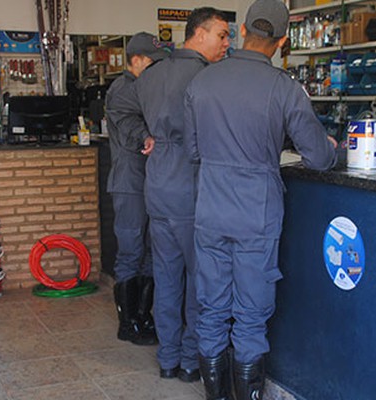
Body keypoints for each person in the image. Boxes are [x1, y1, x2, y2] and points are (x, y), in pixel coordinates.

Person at [183, 1, 337, 398]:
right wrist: (339, 149)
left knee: (212, 310)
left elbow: (193, 151)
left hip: (211, 210)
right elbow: (319, 157)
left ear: (241, 30)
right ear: (283, 41)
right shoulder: (285, 89)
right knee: (250, 318)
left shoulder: (201, 83)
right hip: (257, 214)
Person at [135, 8, 230, 383]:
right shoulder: (209, 77)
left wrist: (144, 136)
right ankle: (191, 360)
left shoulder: (151, 73)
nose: (227, 43)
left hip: (157, 184)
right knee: (198, 279)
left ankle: (168, 358)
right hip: (192, 186)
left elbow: (123, 112)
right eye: (221, 35)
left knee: (167, 276)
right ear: (199, 34)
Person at [105, 32, 167, 346]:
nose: (157, 70)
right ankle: (127, 323)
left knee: (150, 253)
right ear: (137, 60)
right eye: (153, 63)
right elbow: (129, 126)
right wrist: (147, 136)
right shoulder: (123, 90)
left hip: (150, 181)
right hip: (129, 183)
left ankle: (144, 316)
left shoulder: (146, 87)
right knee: (130, 252)